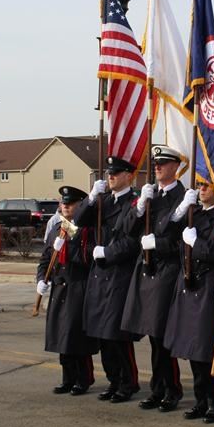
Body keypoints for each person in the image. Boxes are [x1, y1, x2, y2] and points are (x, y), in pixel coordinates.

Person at [121, 145, 186, 413]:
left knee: (161, 336)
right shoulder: (151, 196)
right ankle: (158, 388)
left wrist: (156, 244)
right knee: (151, 335)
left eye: (163, 163)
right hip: (147, 274)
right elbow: (126, 229)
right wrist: (138, 208)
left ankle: (171, 389)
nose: (157, 167)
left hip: (166, 273)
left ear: (175, 167)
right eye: (155, 163)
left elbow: (182, 243)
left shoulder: (182, 198)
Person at [164, 179, 214, 424]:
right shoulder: (194, 216)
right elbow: (167, 232)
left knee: (204, 350)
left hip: (208, 287)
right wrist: (181, 210)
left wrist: (198, 244)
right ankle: (200, 400)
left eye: (205, 186)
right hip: (188, 286)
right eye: (199, 186)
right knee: (192, 352)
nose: (201, 190)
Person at [74, 156, 141, 403]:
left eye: (116, 173)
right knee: (102, 333)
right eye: (109, 173)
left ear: (128, 176)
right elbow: (78, 220)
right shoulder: (102, 202)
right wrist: (91, 198)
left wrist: (109, 252)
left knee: (117, 335)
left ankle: (128, 382)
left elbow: (134, 241)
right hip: (99, 276)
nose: (110, 176)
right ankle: (113, 380)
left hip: (119, 275)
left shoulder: (134, 203)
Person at [36, 186, 99, 396]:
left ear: (80, 205)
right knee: (60, 336)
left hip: (77, 287)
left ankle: (84, 378)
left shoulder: (85, 229)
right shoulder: (56, 228)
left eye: (70, 203)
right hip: (59, 287)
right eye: (63, 203)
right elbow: (45, 258)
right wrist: (40, 280)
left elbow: (87, 258)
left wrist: (67, 247)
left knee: (75, 337)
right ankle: (67, 378)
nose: (65, 206)